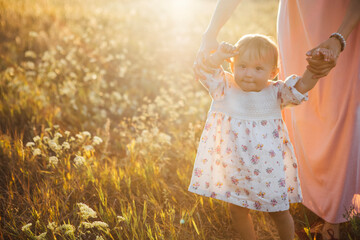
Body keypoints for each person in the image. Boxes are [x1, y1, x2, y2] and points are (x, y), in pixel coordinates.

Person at [193, 1, 360, 239]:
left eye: (258, 68)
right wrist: (217, 53)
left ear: (273, 72)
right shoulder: (225, 87)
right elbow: (205, 70)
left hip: (269, 171)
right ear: (232, 66)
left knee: (280, 213)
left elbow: (301, 87)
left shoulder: (276, 92)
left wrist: (313, 71)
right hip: (235, 166)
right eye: (242, 66)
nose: (248, 73)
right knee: (237, 210)